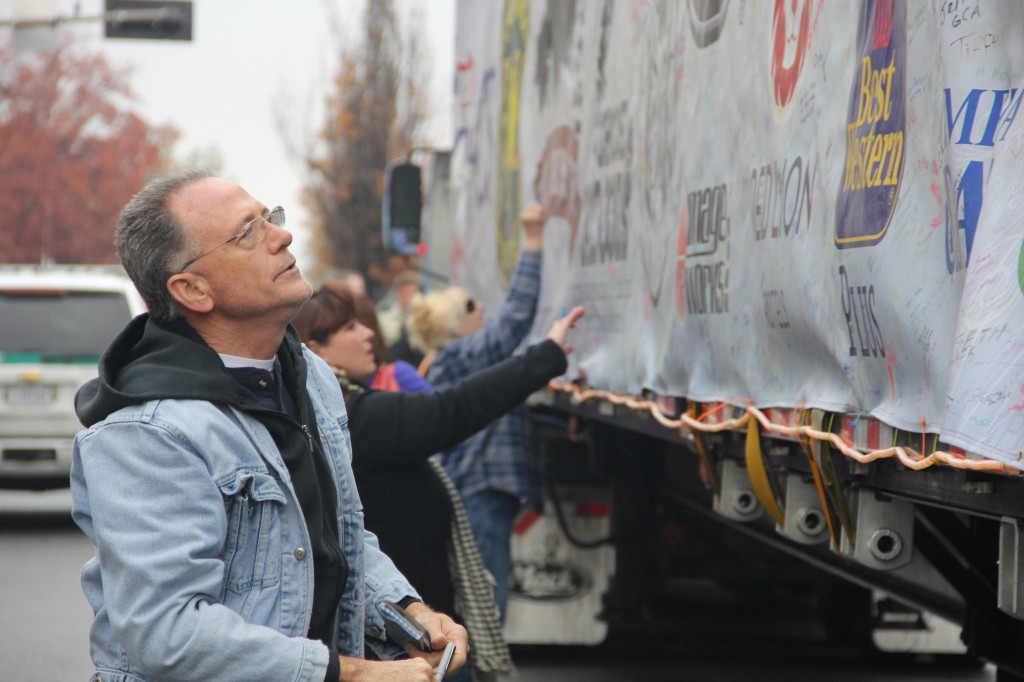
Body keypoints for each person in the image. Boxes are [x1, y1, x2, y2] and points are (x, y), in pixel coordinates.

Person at [70, 168, 468, 682]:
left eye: (269, 218)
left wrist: (410, 613)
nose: (283, 236)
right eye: (247, 232)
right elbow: (167, 633)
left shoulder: (311, 378)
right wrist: (351, 673)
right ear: (192, 289)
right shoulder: (147, 433)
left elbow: (338, 540)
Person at [292, 280, 583, 681]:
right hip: (407, 646)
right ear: (315, 348)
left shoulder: (338, 412)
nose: (369, 334)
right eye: (350, 328)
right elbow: (455, 408)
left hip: (415, 632)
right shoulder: (358, 419)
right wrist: (546, 356)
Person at [406, 202, 549, 621]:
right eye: (471, 307)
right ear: (455, 326)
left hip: (476, 493)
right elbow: (516, 317)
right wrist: (534, 240)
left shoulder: (449, 359)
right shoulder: (462, 355)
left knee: (478, 605)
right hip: (480, 495)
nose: (482, 310)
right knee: (483, 611)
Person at [383, 270, 426, 368]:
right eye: (402, 293)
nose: (406, 298)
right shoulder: (386, 317)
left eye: (410, 293)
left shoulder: (427, 318)